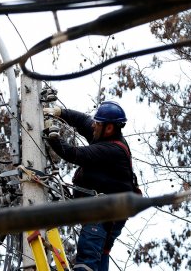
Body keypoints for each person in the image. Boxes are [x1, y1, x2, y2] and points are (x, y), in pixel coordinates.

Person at [43, 101, 135, 271]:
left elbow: (74, 153)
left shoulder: (112, 150)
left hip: (105, 213)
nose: (93, 126)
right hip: (110, 212)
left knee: (88, 252)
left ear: (108, 128)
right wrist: (60, 112)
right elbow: (82, 120)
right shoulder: (103, 133)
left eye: (97, 124)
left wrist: (52, 136)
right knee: (100, 254)